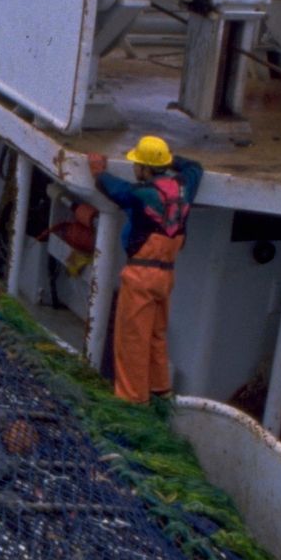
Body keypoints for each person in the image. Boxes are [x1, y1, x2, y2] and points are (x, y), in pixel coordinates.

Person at [86, 136, 202, 408]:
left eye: (138, 163)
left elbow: (113, 188)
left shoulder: (139, 194)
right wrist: (172, 160)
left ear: (145, 169)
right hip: (166, 274)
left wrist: (98, 170)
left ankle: (132, 402)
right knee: (155, 335)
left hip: (141, 274)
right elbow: (196, 168)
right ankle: (160, 390)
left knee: (132, 340)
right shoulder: (185, 186)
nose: (135, 168)